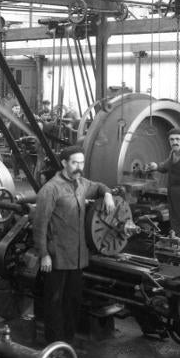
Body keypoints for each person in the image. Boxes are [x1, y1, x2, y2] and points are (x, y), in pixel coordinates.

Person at [31, 145, 116, 346]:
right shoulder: (51, 189)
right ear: (64, 164)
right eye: (74, 162)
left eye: (82, 162)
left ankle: (67, 341)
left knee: (73, 303)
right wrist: (44, 254)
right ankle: (54, 345)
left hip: (77, 258)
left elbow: (98, 186)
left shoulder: (81, 183)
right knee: (54, 304)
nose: (79, 166)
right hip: (57, 258)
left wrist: (108, 194)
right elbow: (39, 224)